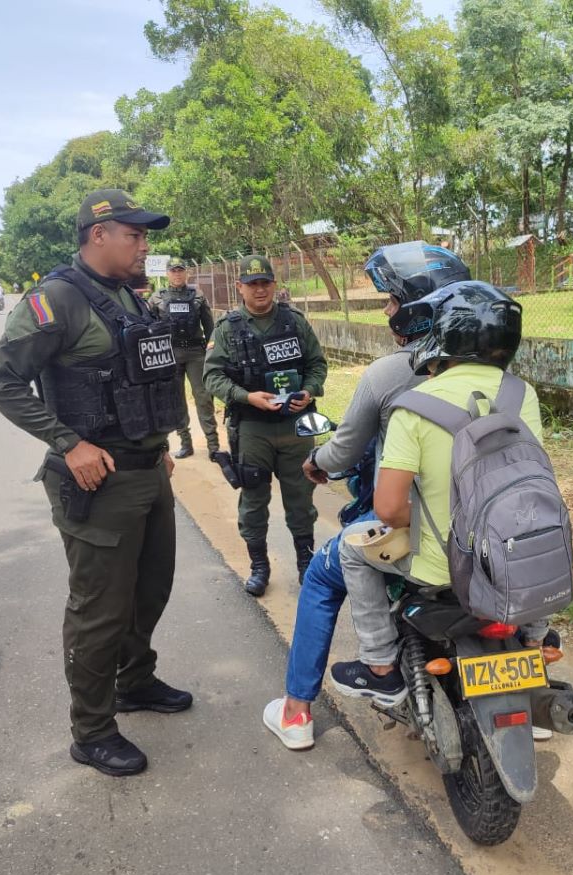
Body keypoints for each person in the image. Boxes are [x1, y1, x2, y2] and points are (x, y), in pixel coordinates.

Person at [0, 188, 192, 778]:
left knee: (149, 590)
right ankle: (92, 730)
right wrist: (68, 443)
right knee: (100, 610)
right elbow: (1, 383)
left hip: (147, 470)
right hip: (98, 484)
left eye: (146, 236)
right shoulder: (57, 300)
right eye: (135, 235)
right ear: (98, 234)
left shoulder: (125, 294)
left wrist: (156, 445)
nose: (145, 246)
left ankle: (136, 682)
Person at [262, 242, 469, 750]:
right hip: (486, 529)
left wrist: (314, 463)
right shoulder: (499, 377)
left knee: (323, 574)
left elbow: (345, 449)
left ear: (418, 307)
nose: (386, 310)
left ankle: (297, 710)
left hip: (411, 528)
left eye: (393, 301)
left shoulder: (389, 374)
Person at [328, 282, 551, 705]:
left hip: (442, 568)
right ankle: (534, 644)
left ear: (443, 337)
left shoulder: (413, 405)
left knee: (351, 551)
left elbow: (389, 508)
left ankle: (378, 666)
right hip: (510, 558)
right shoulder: (524, 395)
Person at [203, 255, 328, 596]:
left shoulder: (294, 322)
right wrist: (245, 396)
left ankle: (306, 563)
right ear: (239, 287)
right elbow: (211, 376)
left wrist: (310, 389)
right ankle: (259, 565)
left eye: (265, 282)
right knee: (254, 499)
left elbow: (317, 364)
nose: (260, 289)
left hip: (295, 425)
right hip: (253, 427)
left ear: (274, 285)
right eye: (252, 284)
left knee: (301, 498)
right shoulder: (227, 329)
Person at [150, 257, 219, 460]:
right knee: (177, 400)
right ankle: (185, 443)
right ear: (167, 274)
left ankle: (213, 446)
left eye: (180, 270)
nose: (177, 274)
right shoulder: (156, 298)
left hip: (196, 354)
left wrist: (212, 353)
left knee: (204, 398)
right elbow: (150, 329)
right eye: (173, 271)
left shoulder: (197, 295)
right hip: (171, 354)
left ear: (186, 273)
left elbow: (210, 328)